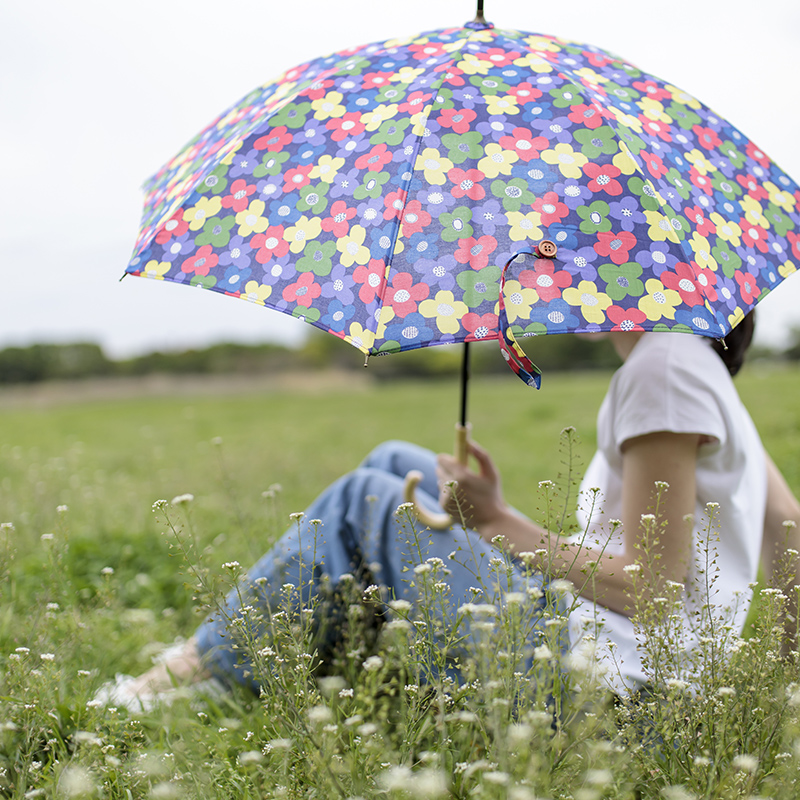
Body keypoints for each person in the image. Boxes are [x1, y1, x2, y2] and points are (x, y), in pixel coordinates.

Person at [96, 316, 800, 708]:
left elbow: (652, 589)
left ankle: (198, 675)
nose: (564, 259)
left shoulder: (664, 369)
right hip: (638, 668)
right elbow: (789, 529)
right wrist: (776, 696)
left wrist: (494, 522)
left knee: (361, 500)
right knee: (398, 461)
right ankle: (255, 658)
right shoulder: (697, 364)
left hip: (605, 684)